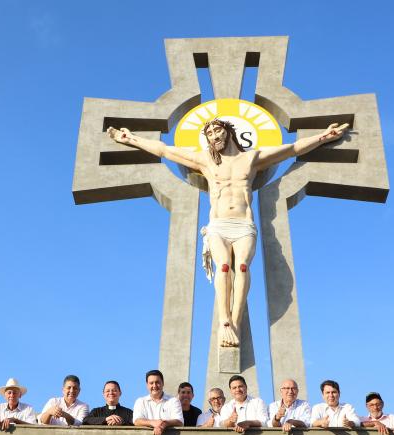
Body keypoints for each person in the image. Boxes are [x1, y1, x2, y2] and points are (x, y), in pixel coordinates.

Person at [108, 119, 348, 348]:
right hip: (219, 224)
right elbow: (164, 150)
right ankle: (224, 320)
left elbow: (291, 148)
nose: (214, 137)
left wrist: (324, 136)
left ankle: (235, 321)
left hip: (243, 224)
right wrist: (131, 139)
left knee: (242, 266)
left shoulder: (251, 158)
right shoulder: (205, 161)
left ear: (228, 131)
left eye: (217, 131)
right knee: (223, 266)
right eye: (209, 134)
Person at [133, 370, 184, 435]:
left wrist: (164, 424)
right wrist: (153, 423)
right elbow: (137, 421)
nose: (154, 386)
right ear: (147, 385)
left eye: (157, 382)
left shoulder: (173, 401)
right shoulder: (140, 401)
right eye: (151, 383)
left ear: (163, 383)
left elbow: (179, 421)